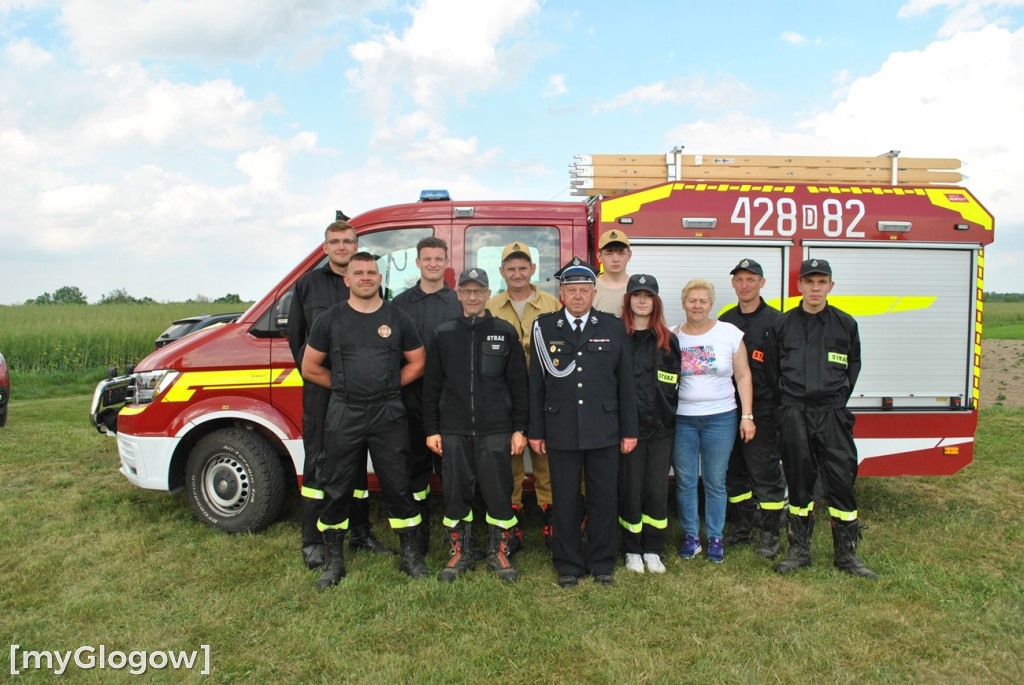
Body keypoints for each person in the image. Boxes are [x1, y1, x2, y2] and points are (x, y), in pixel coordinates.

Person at [301, 252, 429, 587]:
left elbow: (417, 363)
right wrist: (341, 387)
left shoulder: (397, 317)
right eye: (359, 273)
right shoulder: (330, 319)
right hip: (345, 411)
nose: (366, 278)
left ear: (380, 278)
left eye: (372, 272)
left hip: (388, 412)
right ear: (347, 279)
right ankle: (334, 562)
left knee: (399, 486)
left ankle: (411, 558)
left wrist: (389, 386)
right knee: (337, 487)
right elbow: (310, 367)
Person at [287, 220, 393, 571]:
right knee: (318, 464)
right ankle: (313, 541)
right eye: (336, 242)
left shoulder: (370, 286)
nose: (342, 247)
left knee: (358, 465)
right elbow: (297, 340)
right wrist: (330, 379)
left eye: (349, 241)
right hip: (323, 391)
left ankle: (361, 534)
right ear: (325, 248)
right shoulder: (307, 285)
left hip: (362, 395)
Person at [528, 256, 638, 588]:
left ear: (594, 293)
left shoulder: (613, 326)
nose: (578, 296)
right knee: (564, 499)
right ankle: (568, 564)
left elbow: (626, 384)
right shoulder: (544, 327)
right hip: (560, 428)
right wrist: (536, 430)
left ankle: (602, 562)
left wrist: (629, 430)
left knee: (604, 497)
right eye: (571, 290)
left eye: (584, 290)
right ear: (561, 293)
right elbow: (536, 384)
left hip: (604, 427)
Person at [764, 259, 877, 579]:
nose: (815, 288)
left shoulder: (845, 324)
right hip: (794, 412)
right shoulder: (783, 325)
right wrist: (789, 400)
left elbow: (852, 367)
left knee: (841, 482)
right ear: (799, 286)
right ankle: (799, 551)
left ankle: (847, 555)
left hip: (832, 414)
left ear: (830, 286)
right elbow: (772, 371)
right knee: (800, 484)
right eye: (809, 282)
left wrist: (836, 399)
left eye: (821, 282)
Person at [423, 268, 529, 583]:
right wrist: (432, 428)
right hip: (453, 430)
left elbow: (518, 385)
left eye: (478, 291)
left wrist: (519, 428)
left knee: (500, 492)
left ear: (487, 294)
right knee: (455, 494)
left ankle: (500, 552)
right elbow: (431, 386)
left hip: (496, 430)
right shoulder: (443, 333)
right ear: (458, 295)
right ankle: (460, 553)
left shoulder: (505, 331)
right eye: (466, 291)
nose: (472, 296)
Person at [672, 279, 755, 564]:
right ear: (683, 303)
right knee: (684, 481)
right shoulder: (672, 336)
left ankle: (716, 538)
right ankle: (691, 537)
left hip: (721, 418)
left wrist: (747, 415)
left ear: (711, 304)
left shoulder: (729, 333)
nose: (697, 305)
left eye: (703, 301)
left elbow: (743, 375)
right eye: (692, 300)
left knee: (715, 481)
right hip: (682, 420)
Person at [486, 242, 561, 553]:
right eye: (510, 268)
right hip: (505, 395)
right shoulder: (490, 306)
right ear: (502, 272)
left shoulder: (553, 303)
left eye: (523, 267)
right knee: (509, 460)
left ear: (533, 270)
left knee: (547, 458)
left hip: (545, 392)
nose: (517, 273)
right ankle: (510, 522)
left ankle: (554, 520)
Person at [392, 236, 462, 554]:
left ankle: (456, 538)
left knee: (451, 470)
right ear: (417, 262)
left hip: (449, 402)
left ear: (446, 262)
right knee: (415, 470)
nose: (433, 263)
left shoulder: (459, 302)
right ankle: (418, 538)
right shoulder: (400, 304)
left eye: (438, 258)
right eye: (427, 258)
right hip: (411, 400)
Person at [718, 259, 788, 559]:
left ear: (762, 283)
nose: (744, 285)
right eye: (739, 279)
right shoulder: (725, 319)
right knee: (734, 473)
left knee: (765, 473)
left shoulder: (777, 321)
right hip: (727, 408)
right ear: (733, 284)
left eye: (751, 279)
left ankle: (770, 535)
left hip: (764, 410)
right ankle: (742, 527)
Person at [617, 274, 680, 574]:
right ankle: (632, 549)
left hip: (661, 430)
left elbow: (678, 385)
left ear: (656, 301)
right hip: (627, 431)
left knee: (656, 490)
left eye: (648, 295)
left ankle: (653, 549)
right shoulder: (617, 338)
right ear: (628, 300)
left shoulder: (669, 341)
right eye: (636, 295)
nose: (642, 300)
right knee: (630, 489)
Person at [592, 229, 632, 315]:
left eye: (621, 253)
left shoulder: (638, 288)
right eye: (609, 254)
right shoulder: (590, 289)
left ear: (629, 255)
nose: (615, 259)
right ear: (599, 256)